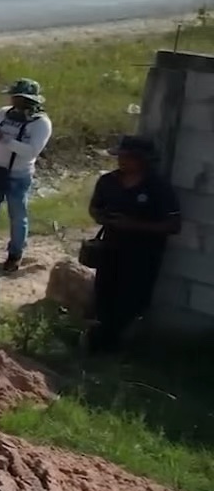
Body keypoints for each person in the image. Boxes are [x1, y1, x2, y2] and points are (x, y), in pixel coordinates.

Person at [85, 135, 182, 353]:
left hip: (142, 255)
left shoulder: (158, 188)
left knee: (131, 301)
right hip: (111, 249)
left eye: (128, 157)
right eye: (121, 156)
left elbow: (174, 225)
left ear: (143, 160)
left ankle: (119, 347)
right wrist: (102, 217)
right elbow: (95, 207)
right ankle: (99, 344)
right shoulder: (108, 182)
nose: (122, 161)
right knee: (104, 295)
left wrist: (134, 225)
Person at [0, 79, 53, 273]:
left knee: (18, 217)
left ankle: (15, 254)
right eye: (14, 97)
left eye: (19, 98)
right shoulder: (3, 112)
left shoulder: (41, 123)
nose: (15, 101)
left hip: (18, 174)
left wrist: (3, 138)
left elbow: (31, 151)